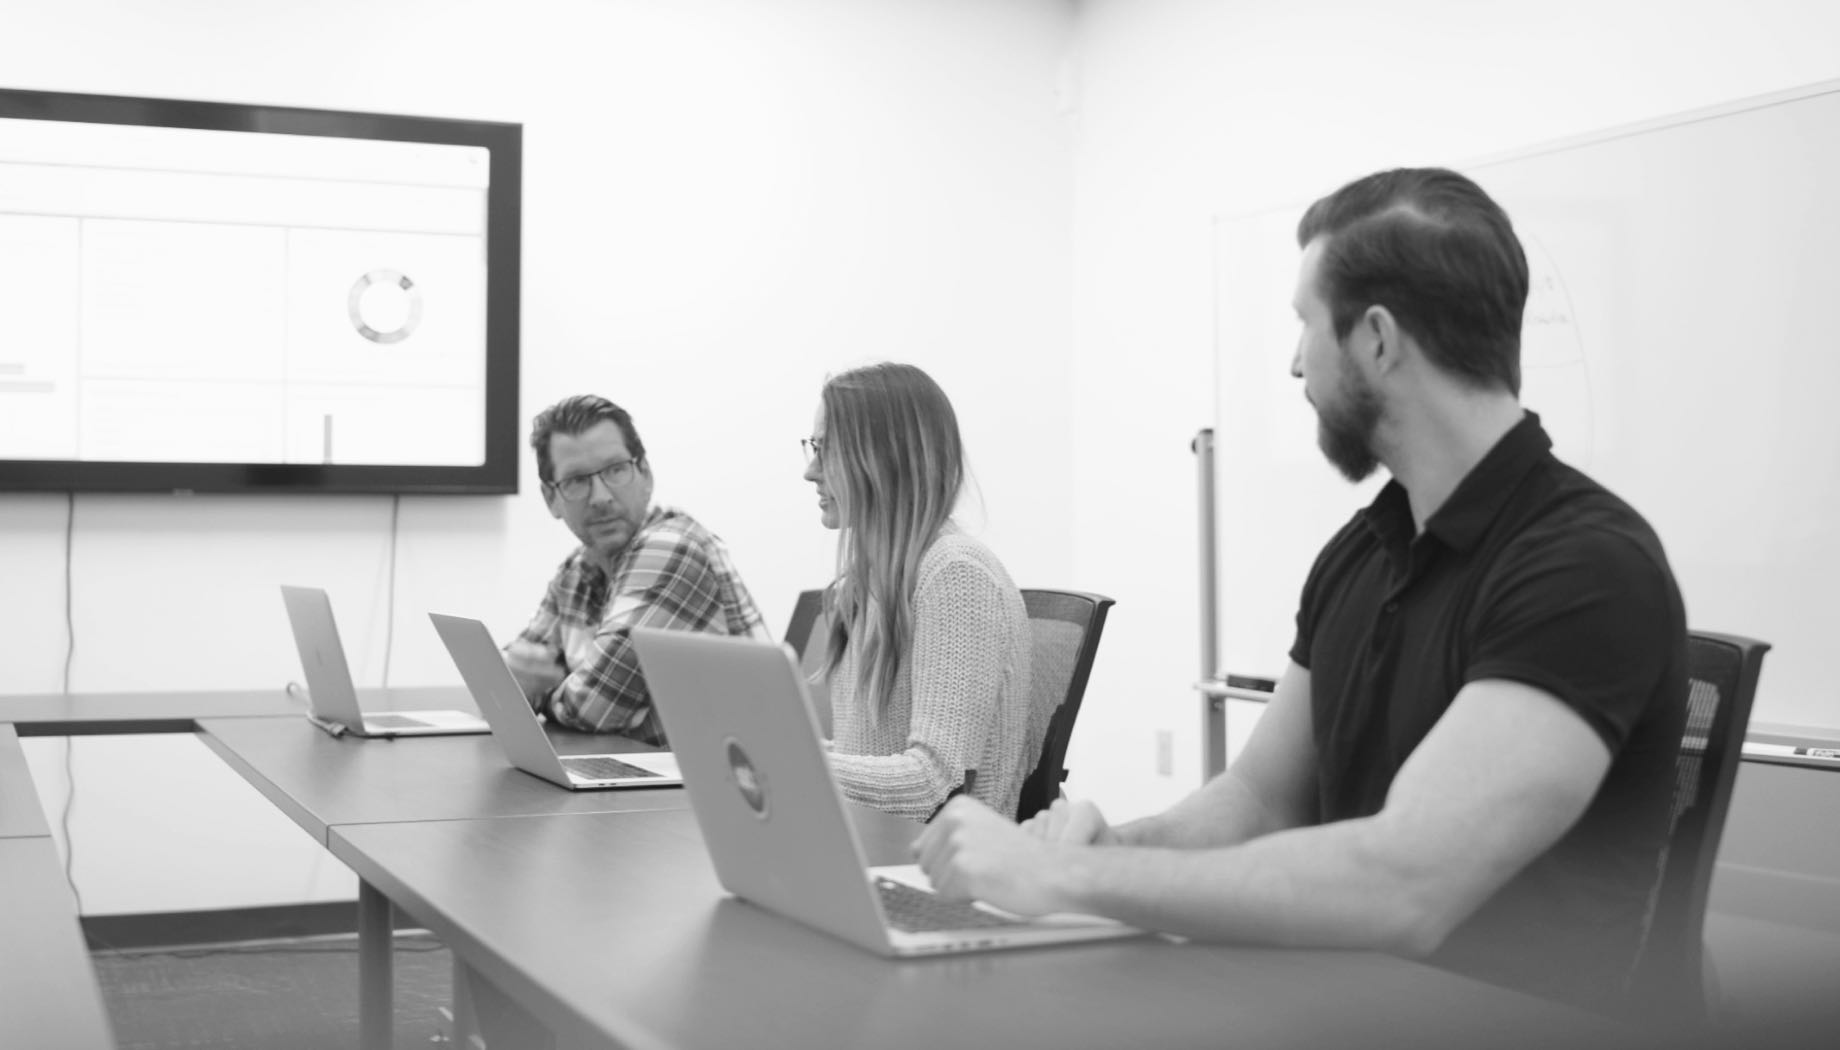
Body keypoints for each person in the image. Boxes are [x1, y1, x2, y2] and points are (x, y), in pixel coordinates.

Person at [916, 168, 1689, 1017]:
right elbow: (1260, 798)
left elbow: (1407, 884)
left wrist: (1073, 876)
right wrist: (1108, 844)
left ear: (1378, 340)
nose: (1293, 363)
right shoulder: (1362, 553)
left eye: (1304, 325)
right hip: (1345, 1005)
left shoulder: (1584, 568)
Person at [801, 362, 1035, 821]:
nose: (811, 471)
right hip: (871, 847)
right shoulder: (866, 585)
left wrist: (798, 765)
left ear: (884, 458)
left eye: (826, 450)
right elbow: (865, 754)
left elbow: (933, 782)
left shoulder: (957, 575)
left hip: (939, 871)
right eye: (813, 447)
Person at [504, 394, 769, 743]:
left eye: (615, 470)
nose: (600, 497)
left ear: (645, 474)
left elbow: (596, 708)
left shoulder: (670, 549)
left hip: (732, 789)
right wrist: (525, 685)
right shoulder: (578, 569)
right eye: (576, 481)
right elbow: (508, 684)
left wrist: (542, 693)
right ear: (551, 498)